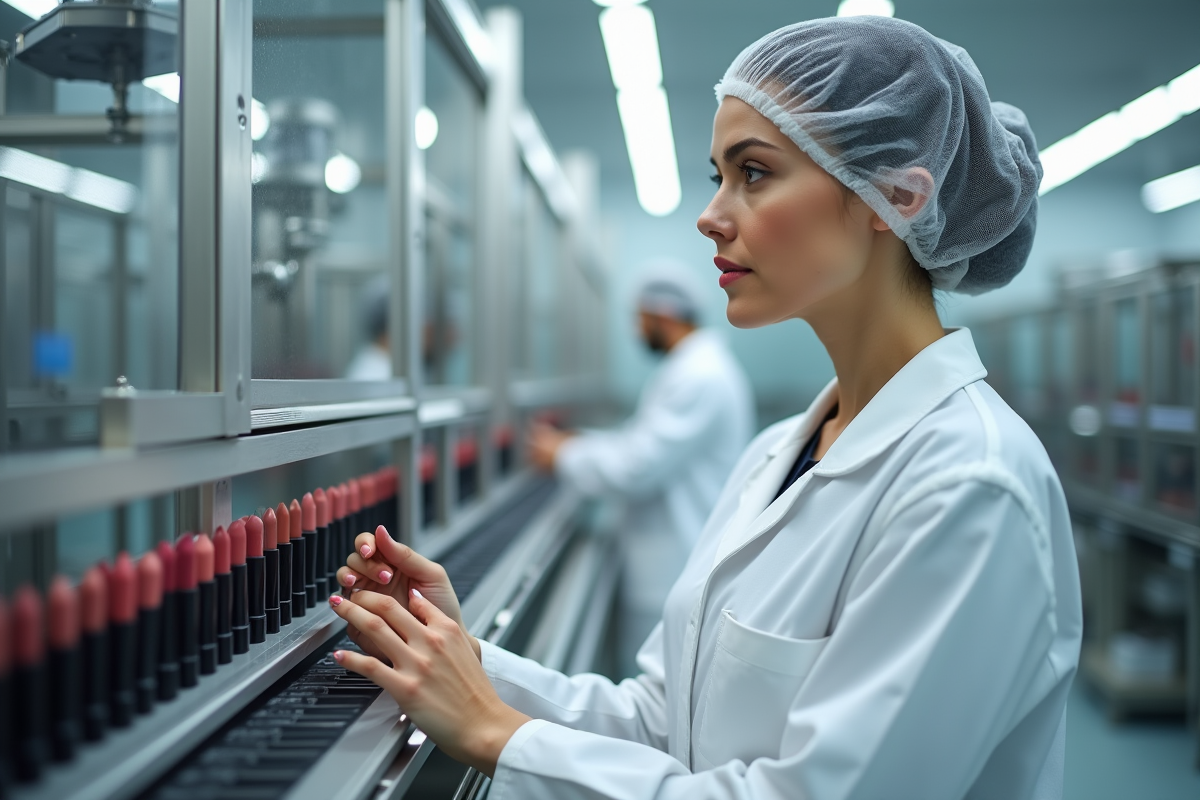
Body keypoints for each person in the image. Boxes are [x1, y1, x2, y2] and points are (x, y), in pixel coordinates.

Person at [327, 16, 1082, 800]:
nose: (711, 214)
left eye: (753, 173)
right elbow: (663, 722)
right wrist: (464, 660)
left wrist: (493, 733)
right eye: (718, 175)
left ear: (891, 197)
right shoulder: (777, 455)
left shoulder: (970, 487)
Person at [527, 267, 754, 672]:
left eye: (639, 318)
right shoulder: (691, 369)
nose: (636, 330)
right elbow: (640, 442)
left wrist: (563, 455)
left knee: (654, 698)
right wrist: (576, 444)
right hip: (668, 558)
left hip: (674, 564)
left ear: (663, 315)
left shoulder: (699, 376)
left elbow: (637, 467)